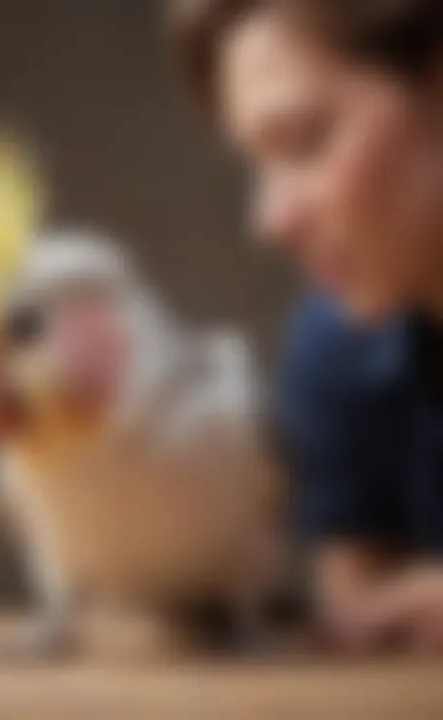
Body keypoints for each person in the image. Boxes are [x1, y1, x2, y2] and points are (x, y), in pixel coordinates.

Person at [166, 0, 443, 654]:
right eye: (257, 164)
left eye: (304, 143)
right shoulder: (340, 355)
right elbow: (374, 637)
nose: (270, 221)